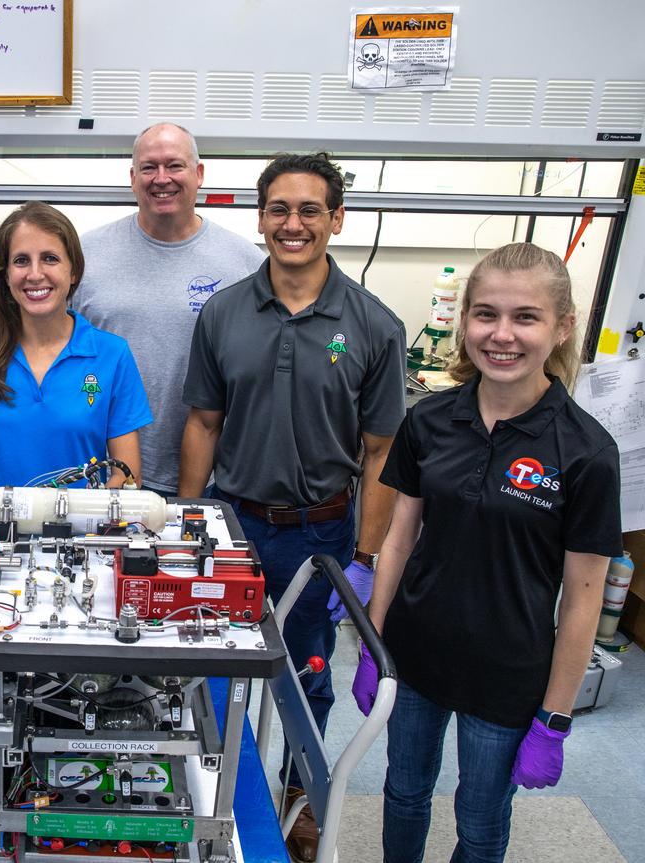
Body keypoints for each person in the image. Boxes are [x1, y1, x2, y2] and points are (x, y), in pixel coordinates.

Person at [353, 243, 621, 863]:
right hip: (416, 657)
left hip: (507, 674)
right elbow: (399, 537)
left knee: (479, 824)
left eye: (525, 317)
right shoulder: (430, 421)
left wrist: (554, 717)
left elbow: (583, 601)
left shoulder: (585, 451)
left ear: (562, 326)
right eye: (485, 314)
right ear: (463, 320)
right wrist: (376, 642)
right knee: (404, 794)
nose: (502, 335)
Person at [178, 152, 407, 861]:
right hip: (234, 523)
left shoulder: (374, 324)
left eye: (310, 209)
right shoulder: (223, 312)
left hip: (321, 532)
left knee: (306, 674)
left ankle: (296, 798)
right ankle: (208, 787)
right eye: (279, 209)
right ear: (261, 218)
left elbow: (381, 454)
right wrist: (190, 523)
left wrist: (363, 559)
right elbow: (204, 424)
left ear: (337, 219)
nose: (294, 223)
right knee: (212, 668)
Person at [75, 123, 264, 495]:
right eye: (149, 167)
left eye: (174, 166)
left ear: (199, 174)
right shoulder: (84, 256)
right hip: (103, 474)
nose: (161, 179)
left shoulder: (245, 262)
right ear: (132, 178)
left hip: (210, 478)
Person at [0, 201, 152, 491]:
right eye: (21, 260)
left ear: (74, 271)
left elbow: (126, 474)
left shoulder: (112, 355)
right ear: (5, 275)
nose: (35, 274)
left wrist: (92, 517)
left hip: (79, 534)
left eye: (50, 258)